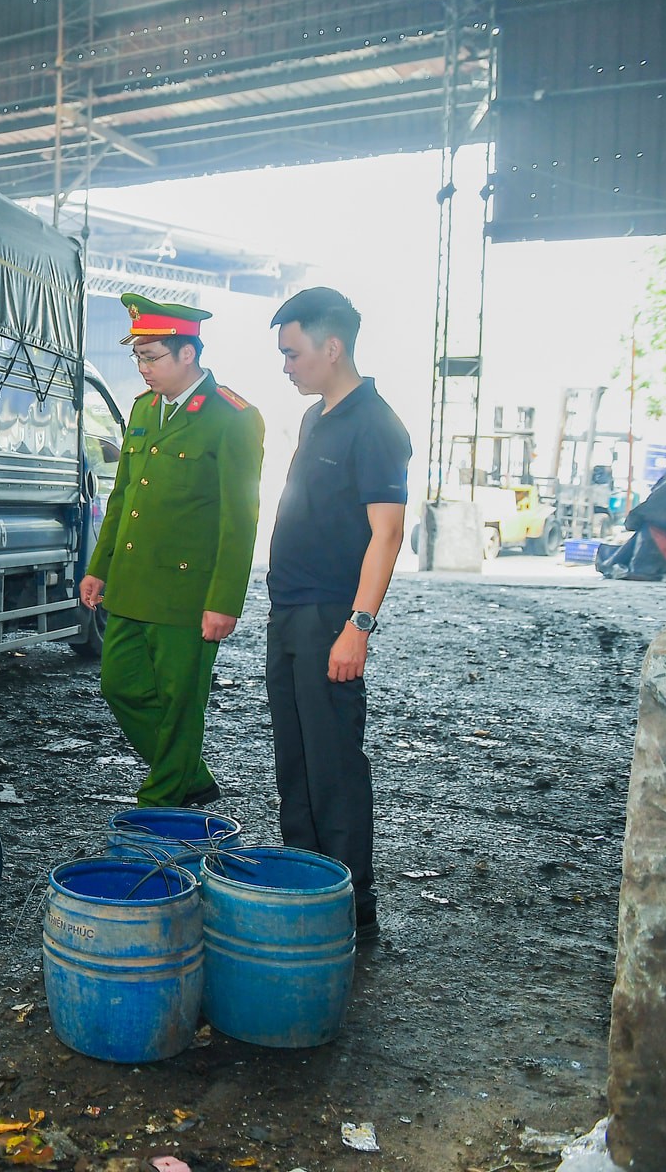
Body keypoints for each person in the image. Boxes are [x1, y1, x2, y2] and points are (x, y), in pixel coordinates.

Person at [80, 292, 265, 808]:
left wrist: (224, 601)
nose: (143, 368)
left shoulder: (231, 417)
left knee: (180, 702)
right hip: (132, 583)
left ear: (188, 353)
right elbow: (123, 496)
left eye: (151, 357)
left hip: (188, 591)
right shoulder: (144, 408)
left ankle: (159, 804)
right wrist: (100, 566)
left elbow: (240, 519)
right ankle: (192, 778)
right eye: (137, 357)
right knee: (120, 686)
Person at [266, 287, 409, 938]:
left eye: (293, 353)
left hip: (332, 617)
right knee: (295, 762)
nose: (286, 366)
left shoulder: (375, 425)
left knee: (334, 766)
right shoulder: (315, 417)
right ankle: (308, 890)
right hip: (291, 612)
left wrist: (359, 626)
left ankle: (353, 910)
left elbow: (388, 533)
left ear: (332, 347)